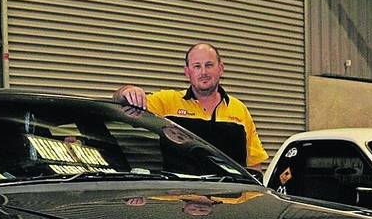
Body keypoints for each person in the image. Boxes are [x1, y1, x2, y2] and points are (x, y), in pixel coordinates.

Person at [113, 43, 268, 168]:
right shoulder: (168, 102)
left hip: (230, 202)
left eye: (209, 65)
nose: (203, 72)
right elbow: (120, 102)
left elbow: (254, 165)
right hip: (179, 199)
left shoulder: (239, 109)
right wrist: (127, 91)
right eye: (197, 66)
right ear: (187, 72)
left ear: (221, 68)